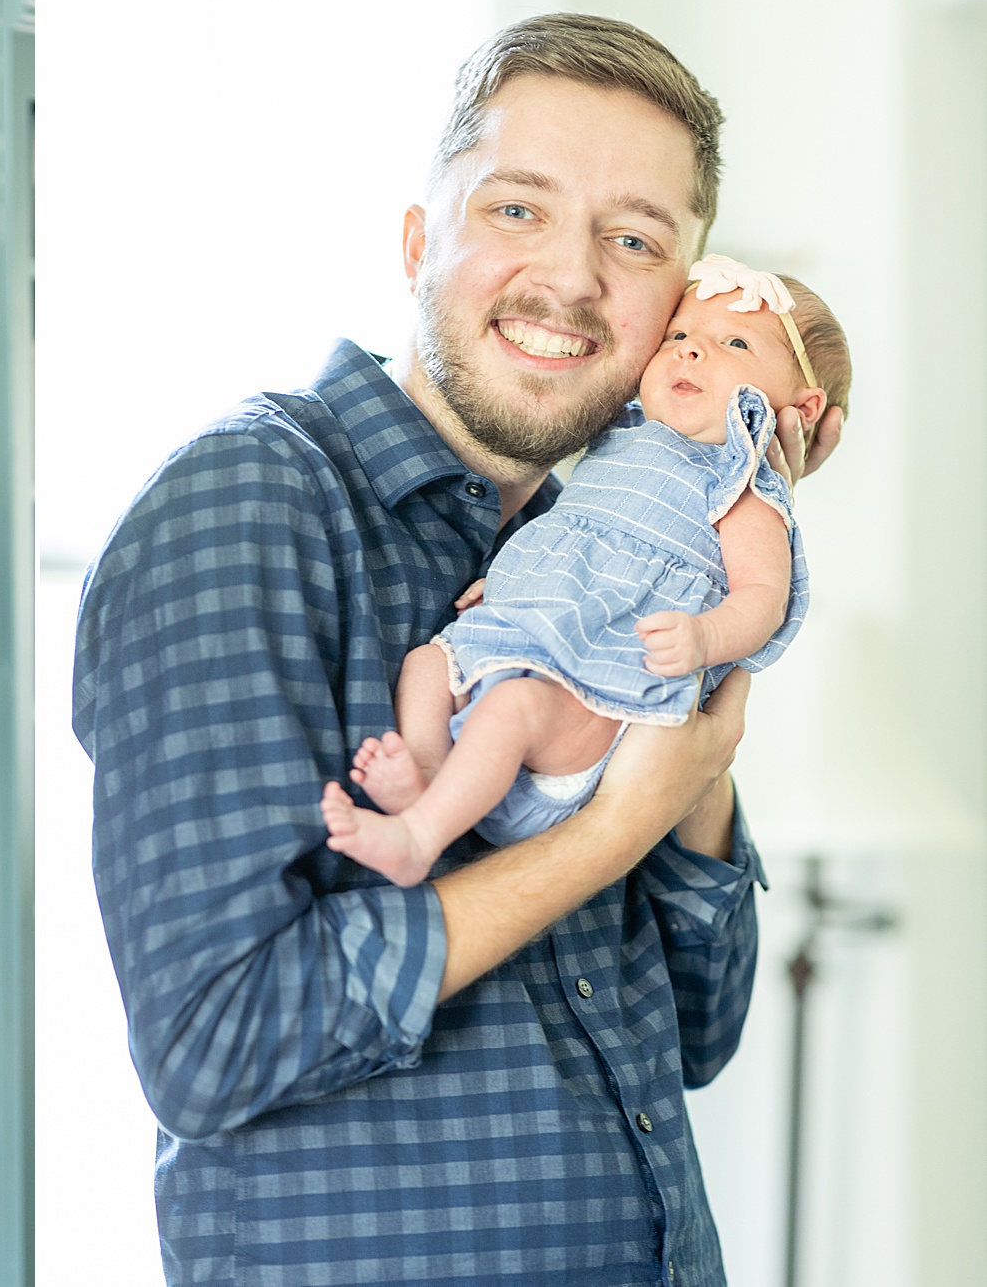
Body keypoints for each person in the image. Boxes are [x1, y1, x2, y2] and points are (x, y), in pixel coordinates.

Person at [72, 14, 843, 1285]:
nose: (573, 280)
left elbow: (697, 1028)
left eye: (635, 239)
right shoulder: (243, 509)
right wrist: (600, 835)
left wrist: (693, 751)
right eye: (520, 210)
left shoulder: (597, 551)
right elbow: (209, 1044)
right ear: (420, 239)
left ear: (679, 306)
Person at [324, 257, 852, 886]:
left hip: (594, 691)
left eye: (733, 343)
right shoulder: (619, 440)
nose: (689, 354)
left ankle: (418, 838)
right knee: (426, 665)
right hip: (532, 637)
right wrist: (515, 577)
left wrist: (706, 637)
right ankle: (432, 779)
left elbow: (764, 597)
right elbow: (577, 545)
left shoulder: (740, 487)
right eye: (677, 336)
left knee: (513, 709)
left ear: (804, 405)